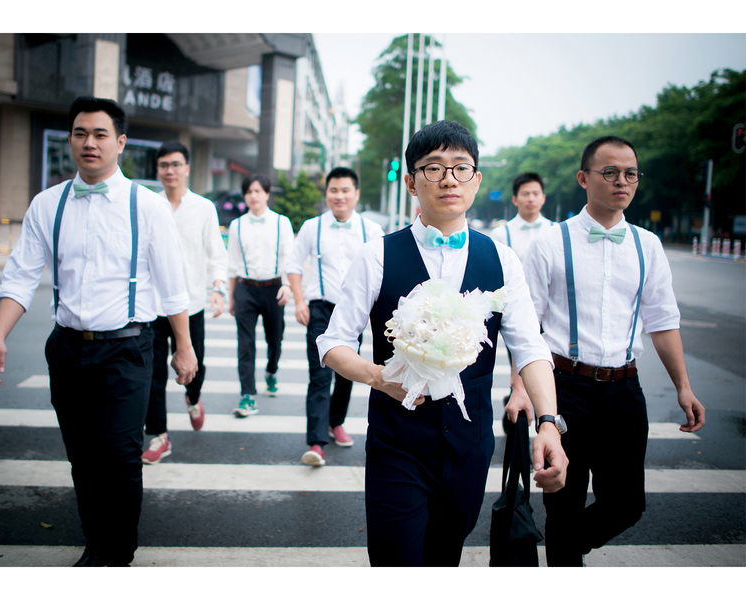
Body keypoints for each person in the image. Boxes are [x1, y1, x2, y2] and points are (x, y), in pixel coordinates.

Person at [317, 120, 567, 567]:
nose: (449, 179)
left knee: (443, 560)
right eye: (433, 168)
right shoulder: (377, 255)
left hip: (469, 446)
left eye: (460, 167)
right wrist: (377, 376)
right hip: (397, 443)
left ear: (476, 180)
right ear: (412, 182)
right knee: (396, 562)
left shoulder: (502, 259)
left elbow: (530, 347)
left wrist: (548, 422)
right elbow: (333, 343)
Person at [0, 96, 197, 567]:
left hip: (128, 348)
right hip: (67, 349)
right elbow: (20, 276)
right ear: (70, 140)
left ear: (120, 142)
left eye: (100, 134)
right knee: (82, 456)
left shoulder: (147, 205)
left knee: (120, 454)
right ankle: (96, 543)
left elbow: (171, 285)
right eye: (80, 134)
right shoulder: (47, 204)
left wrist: (184, 347)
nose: (89, 143)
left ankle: (117, 553)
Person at [513, 135, 706, 566]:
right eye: (610, 172)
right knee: (563, 504)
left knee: (626, 505)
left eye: (630, 174)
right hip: (565, 389)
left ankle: (564, 547)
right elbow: (527, 327)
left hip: (624, 391)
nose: (622, 181)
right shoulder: (550, 242)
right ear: (584, 178)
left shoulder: (647, 245)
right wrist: (521, 389)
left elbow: (662, 320)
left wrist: (683, 386)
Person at [287, 167, 384, 467]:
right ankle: (316, 443)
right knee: (319, 375)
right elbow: (293, 265)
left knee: (347, 373)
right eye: (333, 190)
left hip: (354, 313)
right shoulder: (311, 227)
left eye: (345, 190)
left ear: (356, 194)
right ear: (326, 193)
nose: (339, 196)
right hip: (320, 308)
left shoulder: (371, 230)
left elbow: (382, 272)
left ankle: (335, 422)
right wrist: (299, 301)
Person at [140, 141, 228, 465]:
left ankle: (193, 398)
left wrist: (218, 288)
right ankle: (159, 436)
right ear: (157, 170)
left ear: (187, 168)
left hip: (191, 305)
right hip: (151, 306)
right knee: (151, 374)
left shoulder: (203, 208)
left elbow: (216, 253)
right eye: (164, 165)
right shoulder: (148, 205)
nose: (170, 171)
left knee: (194, 366)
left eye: (176, 164)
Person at [489, 172, 553, 431]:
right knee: (519, 358)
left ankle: (539, 407)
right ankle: (517, 400)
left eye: (535, 193)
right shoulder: (501, 233)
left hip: (548, 312)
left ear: (543, 198)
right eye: (525, 194)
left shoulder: (555, 232)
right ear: (515, 199)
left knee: (543, 362)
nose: (531, 199)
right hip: (514, 311)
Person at [227, 174, 294, 417]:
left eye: (257, 191)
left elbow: (288, 258)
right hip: (245, 288)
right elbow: (232, 263)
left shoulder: (281, 223)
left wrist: (287, 285)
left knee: (275, 339)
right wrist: (231, 297)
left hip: (273, 288)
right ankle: (247, 395)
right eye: (248, 192)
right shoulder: (236, 225)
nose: (253, 196)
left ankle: (271, 371)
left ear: (267, 194)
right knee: (245, 344)